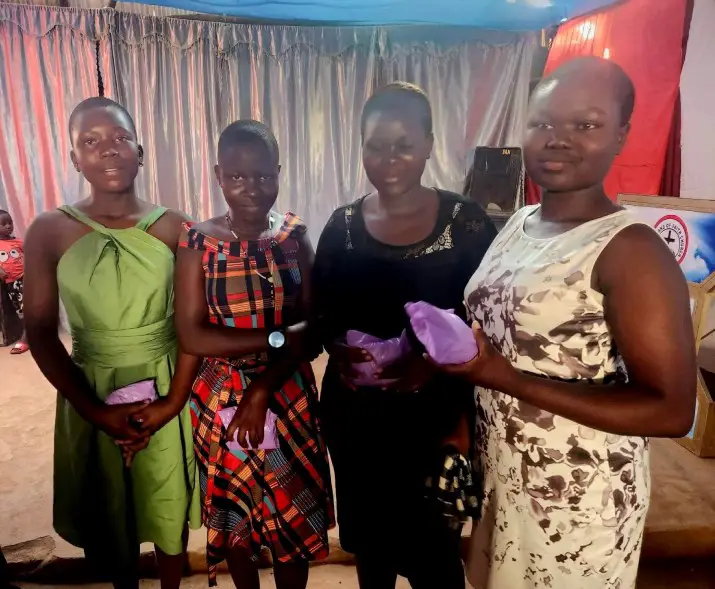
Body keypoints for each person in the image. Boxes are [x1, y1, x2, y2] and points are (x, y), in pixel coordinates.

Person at [432, 57, 696, 589]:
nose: (558, 139)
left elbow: (671, 410)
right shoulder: (521, 223)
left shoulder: (630, 251)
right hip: (502, 481)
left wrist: (505, 378)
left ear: (622, 134)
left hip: (576, 504)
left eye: (587, 124)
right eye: (543, 122)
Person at [313, 82, 497, 589]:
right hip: (357, 417)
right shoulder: (342, 225)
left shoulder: (465, 223)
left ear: (430, 143)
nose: (388, 158)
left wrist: (440, 383)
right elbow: (322, 312)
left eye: (403, 144)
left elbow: (490, 323)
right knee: (372, 552)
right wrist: (342, 351)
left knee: (434, 558)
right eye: (375, 145)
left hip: (433, 415)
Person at [23, 97, 200, 589]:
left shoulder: (176, 227)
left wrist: (173, 401)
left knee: (167, 500)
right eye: (91, 141)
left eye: (121, 138)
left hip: (168, 378)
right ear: (74, 157)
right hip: (89, 387)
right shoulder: (48, 230)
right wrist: (94, 409)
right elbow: (38, 330)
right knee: (108, 506)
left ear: (140, 151)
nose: (109, 149)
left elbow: (194, 321)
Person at [174, 120, 334, 589]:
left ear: (279, 172)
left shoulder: (292, 236)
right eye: (238, 177)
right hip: (221, 399)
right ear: (219, 175)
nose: (251, 188)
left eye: (264, 175)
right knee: (236, 520)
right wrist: (275, 338)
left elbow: (315, 326)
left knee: (292, 519)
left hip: (288, 393)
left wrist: (264, 385)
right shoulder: (197, 242)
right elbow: (192, 336)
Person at [0, 209, 27, 354]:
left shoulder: (18, 242)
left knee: (28, 308)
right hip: (11, 283)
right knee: (21, 311)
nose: (8, 226)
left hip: (25, 279)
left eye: (9, 222)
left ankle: (26, 338)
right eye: (3, 224)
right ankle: (25, 335)